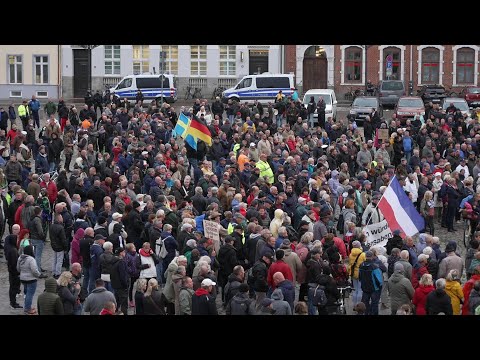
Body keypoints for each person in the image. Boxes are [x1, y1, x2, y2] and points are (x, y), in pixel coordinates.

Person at [17, 245, 41, 315]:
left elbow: (18, 268)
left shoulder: (20, 258)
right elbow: (34, 270)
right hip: (31, 279)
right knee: (30, 294)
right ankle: (27, 309)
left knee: (27, 293)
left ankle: (28, 306)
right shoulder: (31, 259)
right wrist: (39, 275)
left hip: (23, 279)